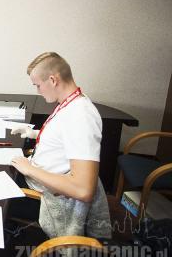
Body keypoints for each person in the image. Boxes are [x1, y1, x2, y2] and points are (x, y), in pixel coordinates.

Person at [10, 52, 111, 242]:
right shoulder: (71, 103)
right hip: (38, 178)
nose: (38, 91)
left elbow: (83, 190)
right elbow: (65, 138)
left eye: (38, 85)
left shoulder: (81, 116)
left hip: (42, 195)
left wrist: (29, 169)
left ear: (52, 80)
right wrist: (35, 133)